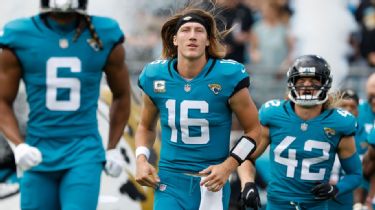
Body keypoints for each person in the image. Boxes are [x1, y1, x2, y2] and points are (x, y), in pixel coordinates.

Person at [0, 0, 131, 209]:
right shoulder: (20, 34)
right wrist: (19, 145)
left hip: (83, 150)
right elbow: (2, 100)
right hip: (37, 151)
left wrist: (113, 147)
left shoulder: (105, 33)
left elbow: (122, 95)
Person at [134, 6, 261, 210]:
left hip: (212, 182)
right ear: (174, 39)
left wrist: (228, 166)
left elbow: (255, 131)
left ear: (208, 40)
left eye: (199, 31)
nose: (192, 36)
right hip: (170, 182)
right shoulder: (154, 75)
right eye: (186, 30)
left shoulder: (227, 75)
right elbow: (145, 127)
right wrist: (141, 158)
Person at [239, 55, 362, 209]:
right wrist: (247, 183)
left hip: (315, 206)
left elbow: (355, 174)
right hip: (278, 204)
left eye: (314, 81)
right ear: (292, 83)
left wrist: (336, 188)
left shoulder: (339, 123)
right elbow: (245, 157)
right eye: (301, 80)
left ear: (325, 84)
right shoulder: (273, 114)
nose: (307, 86)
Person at [328, 89, 368, 210]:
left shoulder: (367, 136)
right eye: (343, 105)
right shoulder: (324, 130)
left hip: (352, 198)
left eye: (352, 106)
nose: (348, 110)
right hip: (323, 195)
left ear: (358, 110)